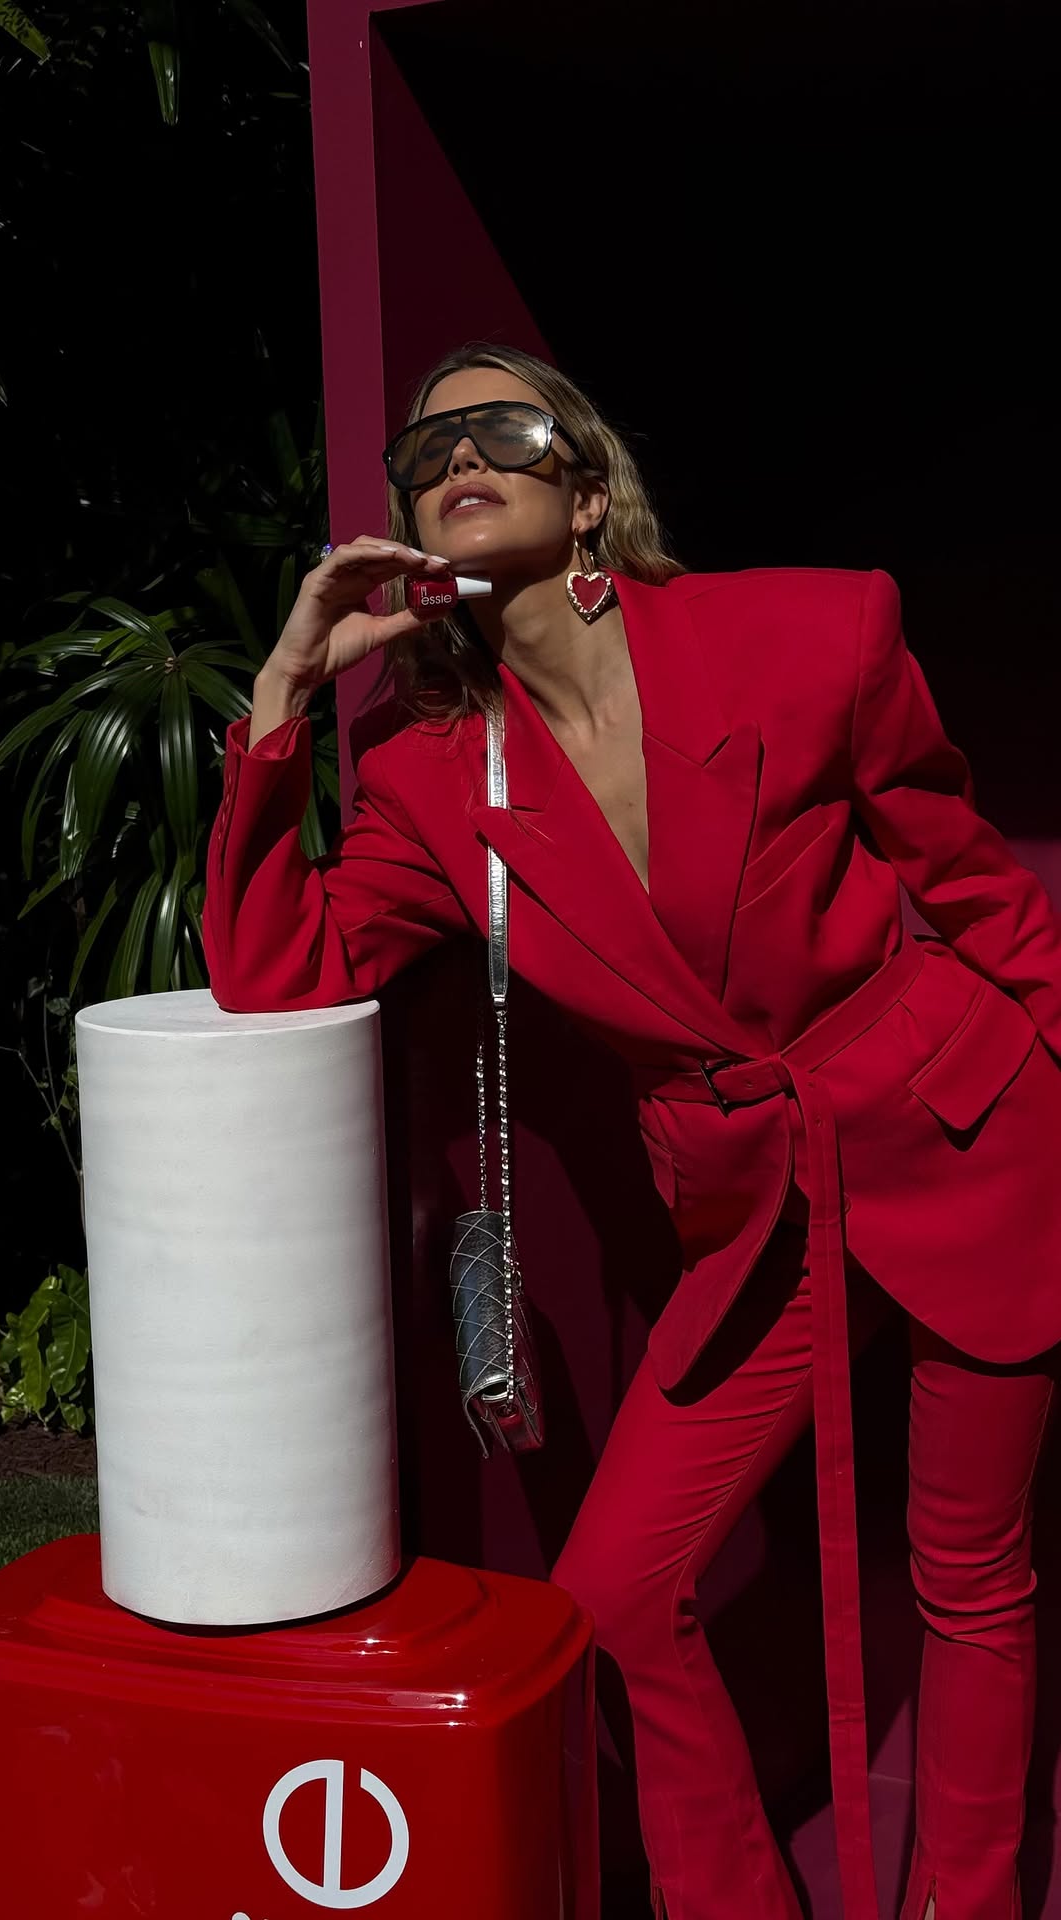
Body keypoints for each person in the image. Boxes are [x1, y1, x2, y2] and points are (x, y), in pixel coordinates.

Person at [202, 343, 1061, 1920]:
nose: (460, 455)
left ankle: (972, 1898)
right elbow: (277, 970)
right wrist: (285, 694)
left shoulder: (812, 634)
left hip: (965, 1130)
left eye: (501, 427)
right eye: (426, 450)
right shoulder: (427, 782)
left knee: (970, 1573)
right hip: (757, 1217)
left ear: (588, 491)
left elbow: (977, 890)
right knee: (612, 1589)